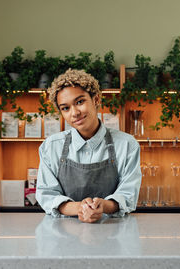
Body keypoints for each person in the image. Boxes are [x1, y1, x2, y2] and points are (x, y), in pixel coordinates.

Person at [36, 69, 141, 223]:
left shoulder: (126, 144)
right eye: (65, 108)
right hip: (63, 234)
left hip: (112, 231)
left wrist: (103, 206)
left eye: (80, 102)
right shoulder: (51, 146)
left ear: (96, 99)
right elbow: (47, 195)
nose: (75, 113)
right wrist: (80, 208)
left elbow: (128, 194)